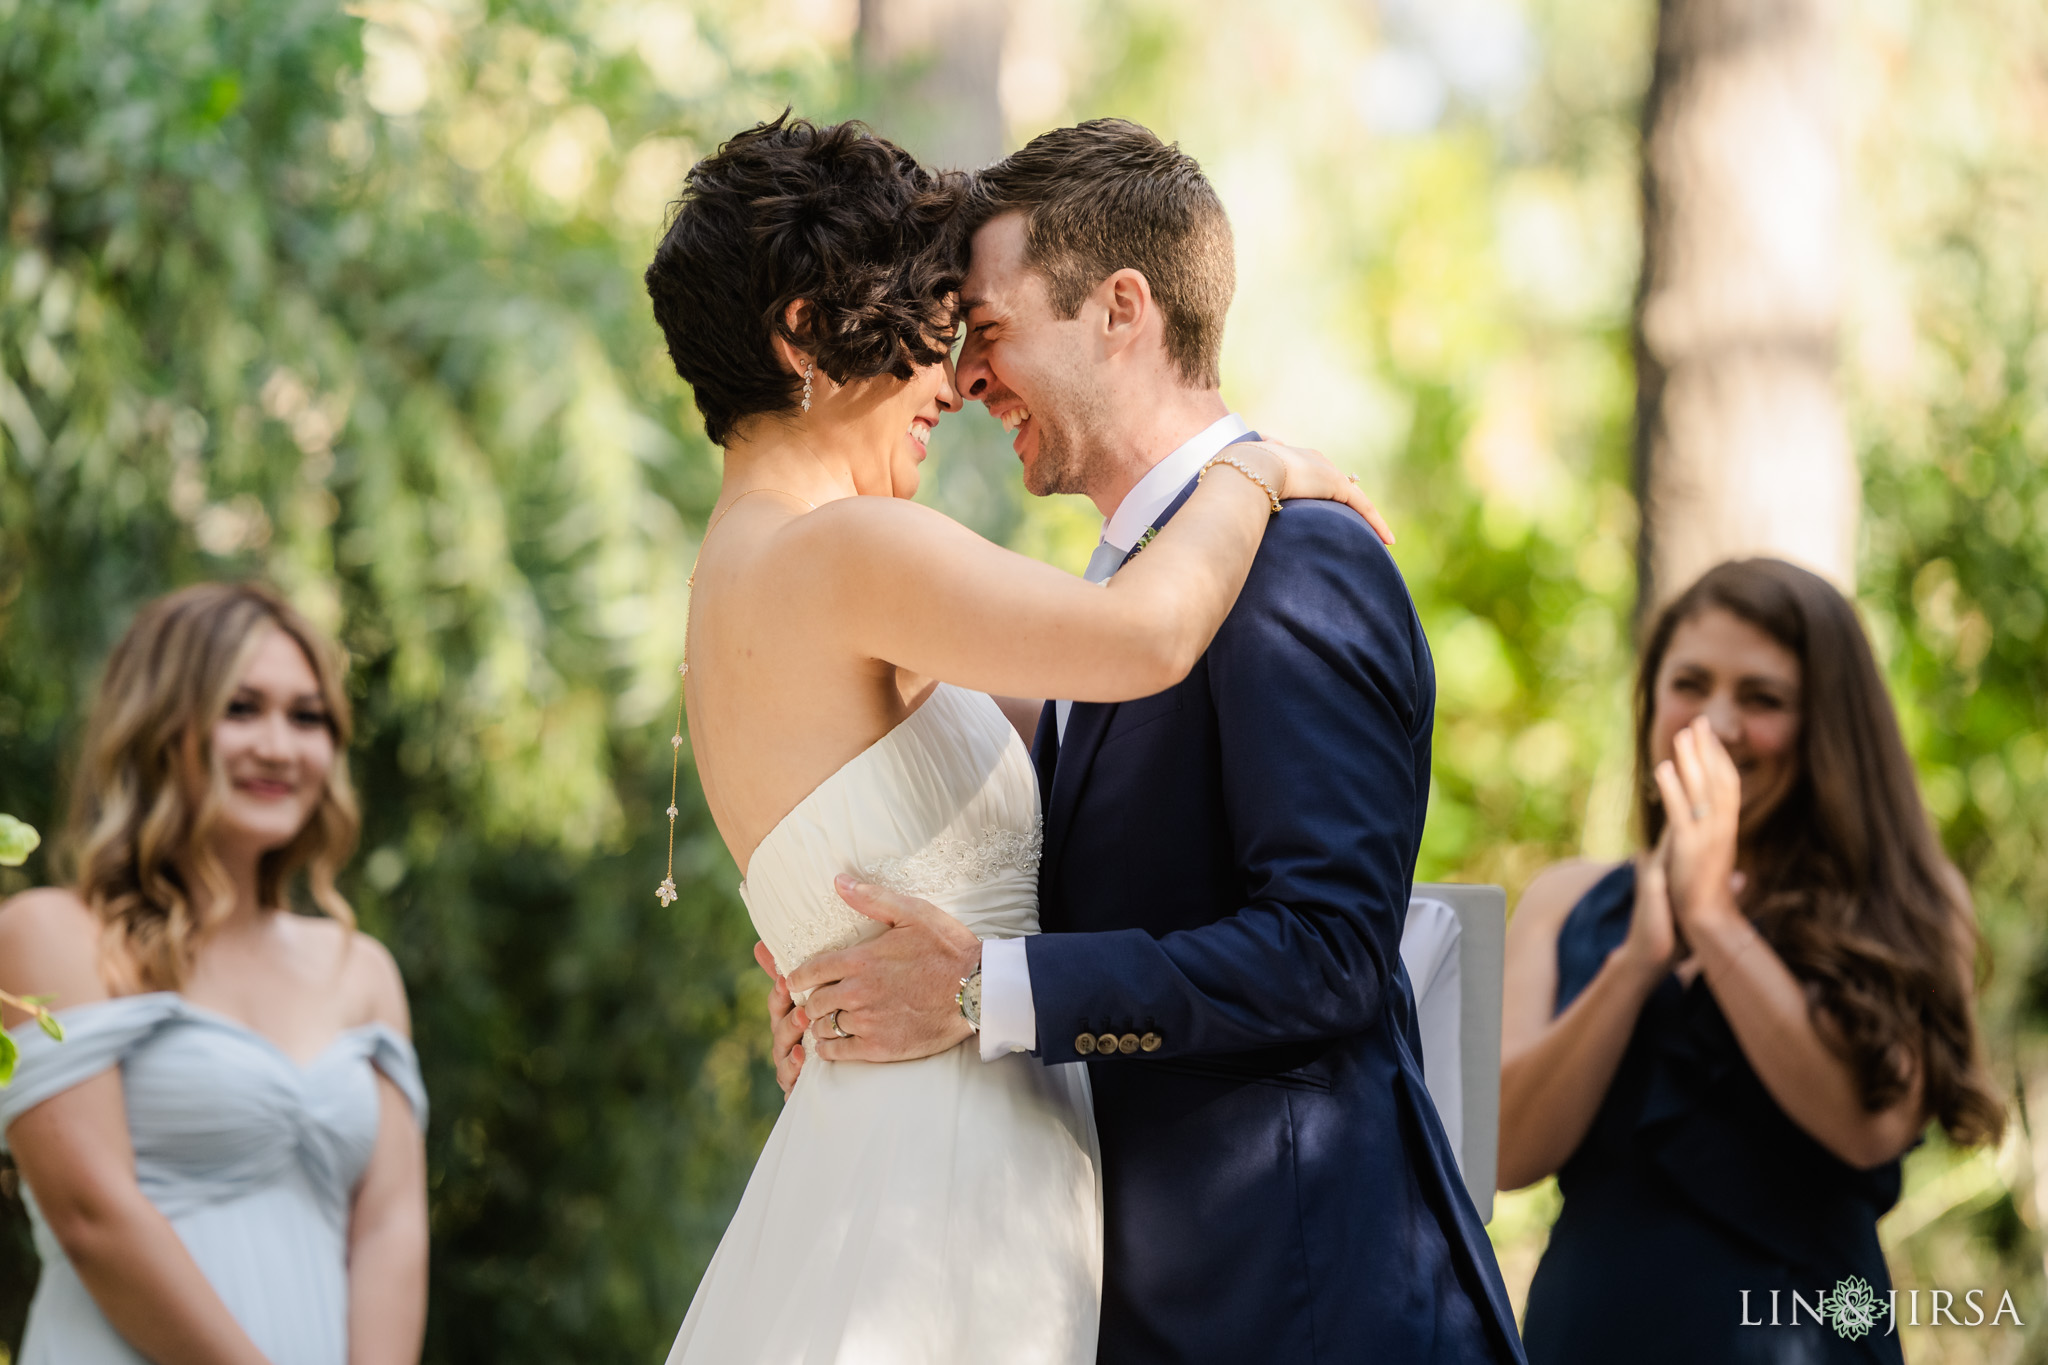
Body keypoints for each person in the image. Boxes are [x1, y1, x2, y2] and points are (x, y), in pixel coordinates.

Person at [768, 119, 1526, 1364]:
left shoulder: (1300, 561)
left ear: (1121, 307)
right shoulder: (1112, 605)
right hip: (1146, 1300)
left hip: (1302, 1305)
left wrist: (981, 991)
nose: (963, 381)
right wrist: (849, 990)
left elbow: (1327, 952)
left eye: (992, 330)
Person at [642, 114, 1382, 1364]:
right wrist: (1254, 474)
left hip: (886, 1146)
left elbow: (1092, 731)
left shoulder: (740, 576)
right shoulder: (843, 551)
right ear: (804, 335)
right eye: (925, 337)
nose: (950, 382)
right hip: (943, 1181)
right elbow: (1143, 641)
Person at [1499, 558, 2004, 1363]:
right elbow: (1503, 1151)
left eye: (1762, 698)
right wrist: (1636, 963)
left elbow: (1866, 1126)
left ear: (1827, 726)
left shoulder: (1905, 897)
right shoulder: (1567, 899)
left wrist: (1711, 916)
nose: (1717, 723)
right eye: (1689, 684)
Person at [0, 582, 427, 1365]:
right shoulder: (50, 935)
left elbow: (391, 1226)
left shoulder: (359, 967)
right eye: (241, 708)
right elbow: (93, 1215)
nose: (279, 744)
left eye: (308, 717)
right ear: (161, 726)